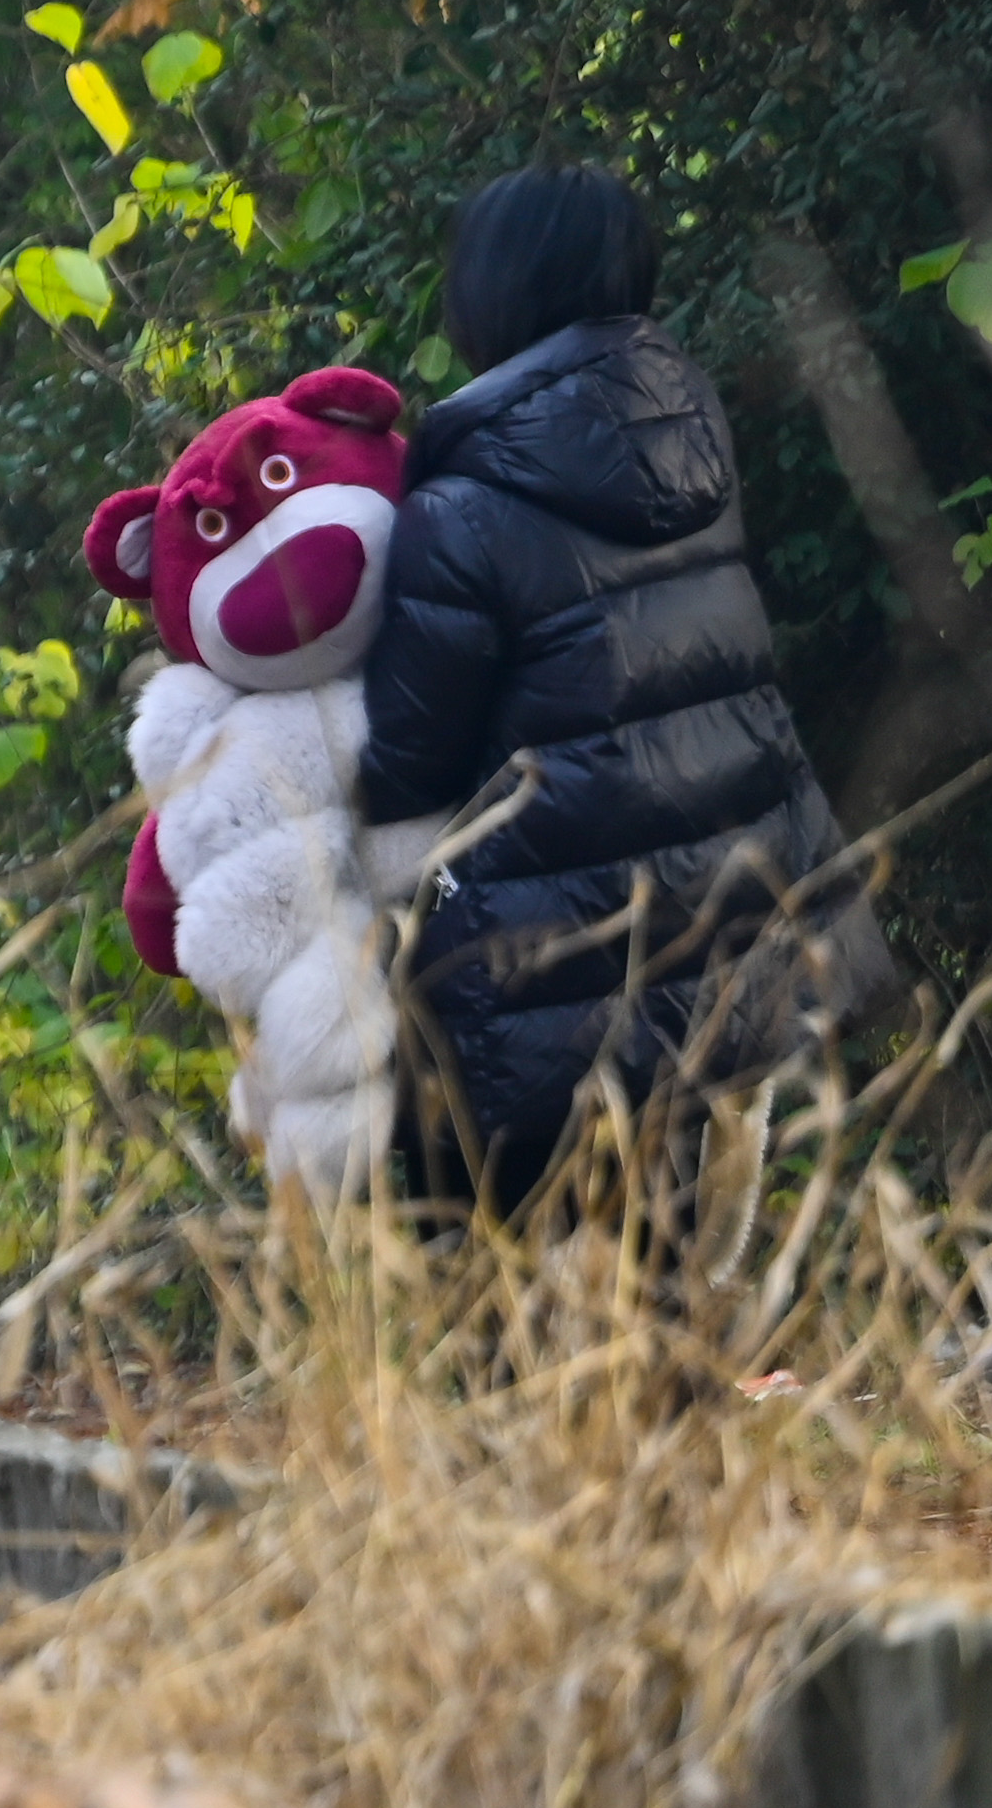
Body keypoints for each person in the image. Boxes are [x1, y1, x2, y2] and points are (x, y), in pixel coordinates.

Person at [354, 159, 897, 1211]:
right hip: (724, 912)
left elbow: (399, 764)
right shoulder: (688, 439)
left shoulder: (460, 504)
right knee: (660, 1263)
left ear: (492, 291)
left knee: (496, 1268)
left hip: (546, 958)